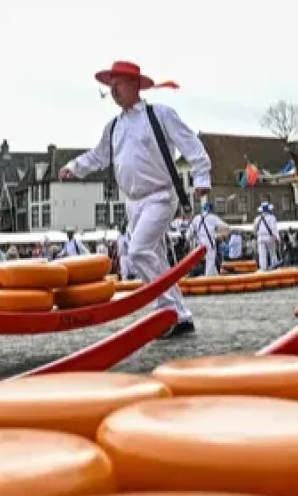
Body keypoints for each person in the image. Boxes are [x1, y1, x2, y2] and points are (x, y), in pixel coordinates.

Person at [60, 60, 211, 339]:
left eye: (118, 84)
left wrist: (201, 177)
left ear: (134, 85)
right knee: (155, 257)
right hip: (132, 201)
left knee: (139, 250)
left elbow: (190, 143)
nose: (113, 90)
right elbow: (98, 156)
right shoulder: (114, 127)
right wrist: (74, 167)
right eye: (111, 85)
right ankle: (179, 315)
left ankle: (167, 309)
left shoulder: (159, 114)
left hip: (160, 196)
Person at [187, 203, 227, 277]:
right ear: (211, 209)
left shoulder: (197, 217)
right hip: (209, 242)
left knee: (208, 260)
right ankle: (208, 277)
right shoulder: (213, 217)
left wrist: (189, 238)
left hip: (200, 243)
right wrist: (218, 234)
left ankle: (215, 275)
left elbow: (190, 231)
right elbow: (225, 226)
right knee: (210, 260)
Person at [254, 202, 279, 271]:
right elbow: (274, 229)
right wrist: (277, 238)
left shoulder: (257, 219)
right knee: (272, 252)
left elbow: (255, 230)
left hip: (260, 237)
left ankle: (263, 268)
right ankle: (274, 265)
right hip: (269, 236)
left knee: (262, 254)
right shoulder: (272, 217)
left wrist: (257, 236)